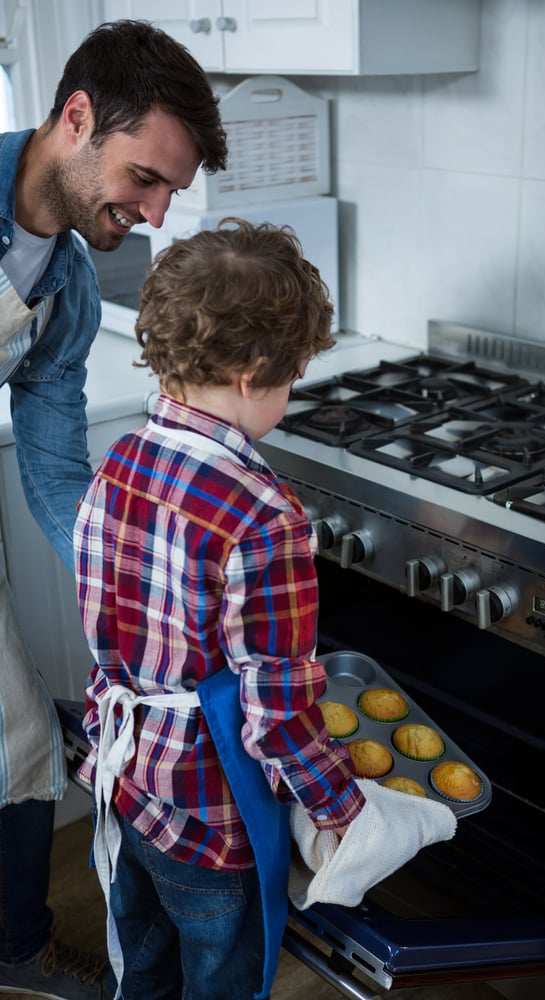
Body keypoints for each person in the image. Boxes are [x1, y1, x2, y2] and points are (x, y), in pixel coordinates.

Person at [73, 218, 367, 1000]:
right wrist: (340, 808)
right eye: (291, 378)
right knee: (221, 981)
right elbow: (277, 707)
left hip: (124, 784)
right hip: (209, 822)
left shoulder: (120, 461)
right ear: (252, 373)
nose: (287, 395)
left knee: (143, 968)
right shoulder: (265, 514)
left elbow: (103, 625)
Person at [0, 19, 227, 1000]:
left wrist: (131, 588)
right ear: (78, 118)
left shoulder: (70, 288)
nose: (160, 212)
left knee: (18, 741)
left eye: (171, 190)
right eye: (147, 178)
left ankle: (16, 947)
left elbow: (55, 467)